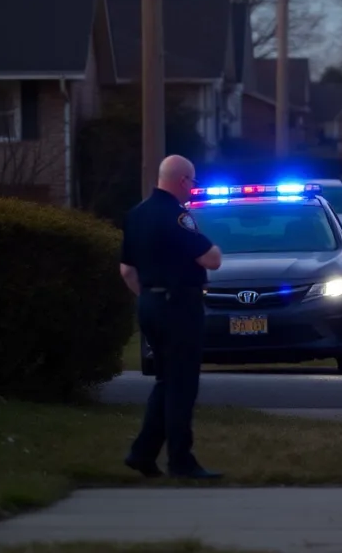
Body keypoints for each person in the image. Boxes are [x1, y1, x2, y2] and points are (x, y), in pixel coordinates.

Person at [119, 155, 224, 480]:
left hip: (150, 304)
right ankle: (181, 460)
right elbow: (211, 259)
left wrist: (150, 297)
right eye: (192, 182)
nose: (193, 188)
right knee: (182, 386)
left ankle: (142, 453)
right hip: (179, 307)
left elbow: (126, 270)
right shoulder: (178, 216)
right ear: (182, 181)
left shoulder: (135, 215)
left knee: (166, 381)